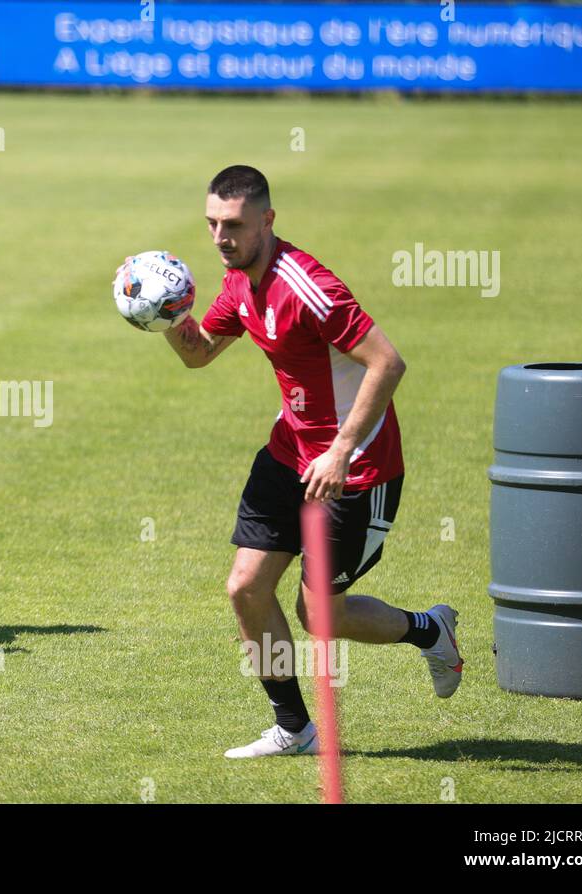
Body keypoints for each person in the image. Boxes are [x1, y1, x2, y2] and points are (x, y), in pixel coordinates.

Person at [159, 165, 463, 757]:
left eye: (235, 225)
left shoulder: (306, 286)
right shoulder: (239, 283)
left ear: (267, 221)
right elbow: (198, 355)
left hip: (356, 469)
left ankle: (430, 629)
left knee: (320, 615)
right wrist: (166, 316)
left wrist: (340, 452)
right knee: (246, 587)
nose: (221, 237)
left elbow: (388, 363)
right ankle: (294, 728)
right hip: (288, 453)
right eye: (213, 224)